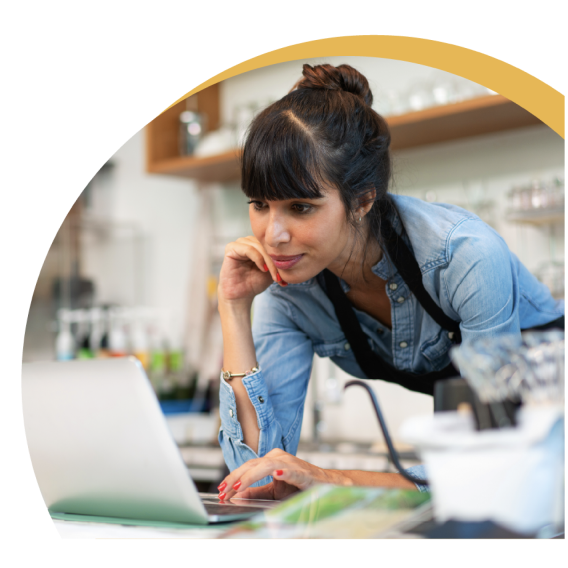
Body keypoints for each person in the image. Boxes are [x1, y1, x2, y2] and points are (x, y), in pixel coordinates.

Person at [214, 63, 565, 503]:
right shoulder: (287, 288)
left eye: (300, 207)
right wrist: (233, 306)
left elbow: (486, 458)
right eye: (260, 204)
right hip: (483, 446)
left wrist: (334, 478)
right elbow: (259, 471)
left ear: (361, 201)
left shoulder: (464, 256)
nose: (272, 234)